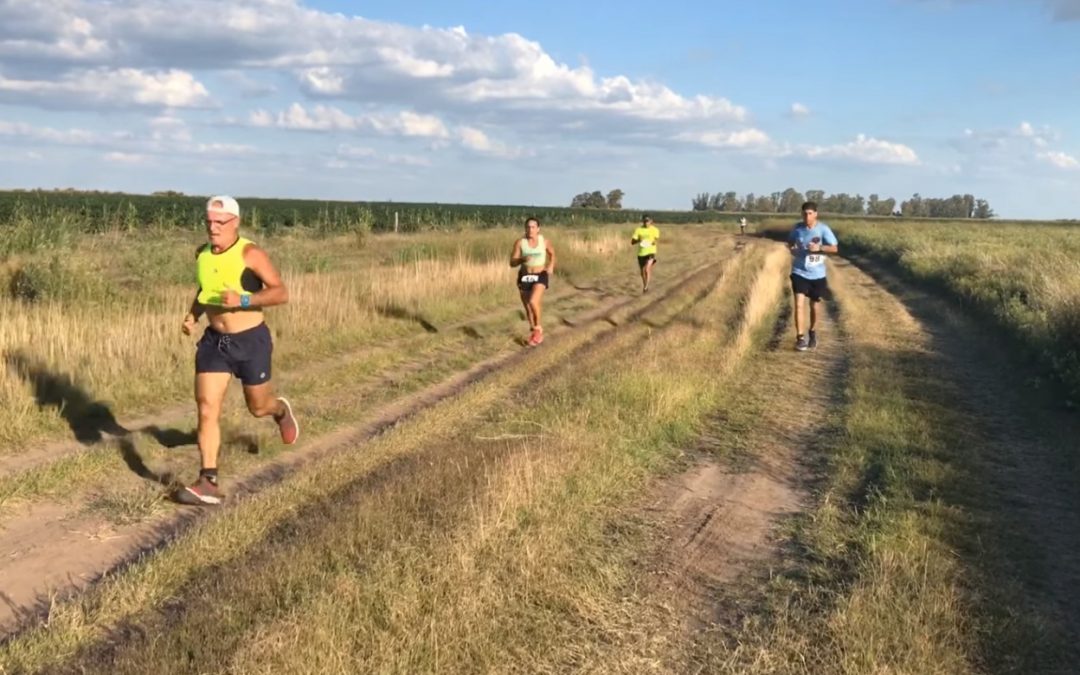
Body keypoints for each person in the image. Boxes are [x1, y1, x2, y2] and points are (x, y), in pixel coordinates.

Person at [177, 195, 299, 505]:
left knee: (257, 407)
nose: (213, 228)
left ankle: (280, 411)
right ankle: (208, 481)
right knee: (207, 407)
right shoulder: (203, 254)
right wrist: (193, 315)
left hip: (250, 341)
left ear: (236, 222)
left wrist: (243, 300)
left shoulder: (250, 253)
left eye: (220, 222)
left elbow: (281, 293)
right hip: (215, 343)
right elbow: (206, 289)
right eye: (208, 222)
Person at [787, 201, 838, 351]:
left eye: (810, 214)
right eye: (804, 214)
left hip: (817, 274)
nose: (807, 217)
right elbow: (790, 242)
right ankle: (800, 338)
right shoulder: (797, 228)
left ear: (816, 214)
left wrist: (819, 247)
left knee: (814, 306)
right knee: (798, 304)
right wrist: (793, 249)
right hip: (799, 271)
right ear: (801, 214)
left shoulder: (823, 229)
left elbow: (834, 248)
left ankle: (813, 332)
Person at [510, 216, 556, 346]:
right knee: (528, 309)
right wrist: (522, 259)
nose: (530, 229)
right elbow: (512, 262)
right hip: (525, 276)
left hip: (540, 274)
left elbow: (552, 254)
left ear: (538, 229)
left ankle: (538, 328)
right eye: (528, 227)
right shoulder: (520, 243)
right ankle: (534, 332)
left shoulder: (544, 242)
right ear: (525, 229)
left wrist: (551, 265)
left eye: (533, 227)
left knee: (533, 301)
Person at [631, 214, 660, 292]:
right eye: (644, 221)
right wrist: (639, 240)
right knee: (642, 272)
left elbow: (656, 239)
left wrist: (653, 242)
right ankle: (645, 286)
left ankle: (646, 287)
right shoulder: (638, 230)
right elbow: (632, 242)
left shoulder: (655, 230)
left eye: (647, 221)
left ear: (651, 221)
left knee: (647, 269)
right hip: (641, 253)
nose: (646, 223)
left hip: (651, 251)